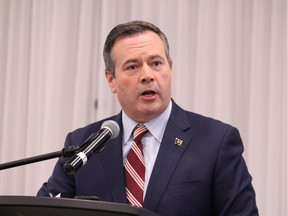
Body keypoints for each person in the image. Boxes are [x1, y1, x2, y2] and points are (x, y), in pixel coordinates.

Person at [37, 20, 258, 216]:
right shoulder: (83, 144)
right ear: (111, 80)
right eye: (132, 67)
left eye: (156, 63)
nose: (147, 75)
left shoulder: (216, 142)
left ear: (170, 68)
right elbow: (43, 209)